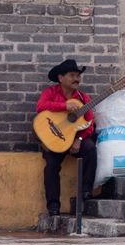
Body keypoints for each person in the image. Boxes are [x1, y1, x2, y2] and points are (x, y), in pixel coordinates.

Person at [36, 59, 97, 216]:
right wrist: (64, 106)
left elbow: (90, 123)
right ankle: (53, 205)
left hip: (75, 137)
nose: (76, 79)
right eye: (72, 75)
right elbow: (40, 107)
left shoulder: (83, 99)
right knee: (51, 164)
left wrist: (79, 140)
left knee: (90, 149)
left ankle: (86, 191)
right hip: (55, 139)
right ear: (61, 78)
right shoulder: (50, 93)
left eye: (78, 76)